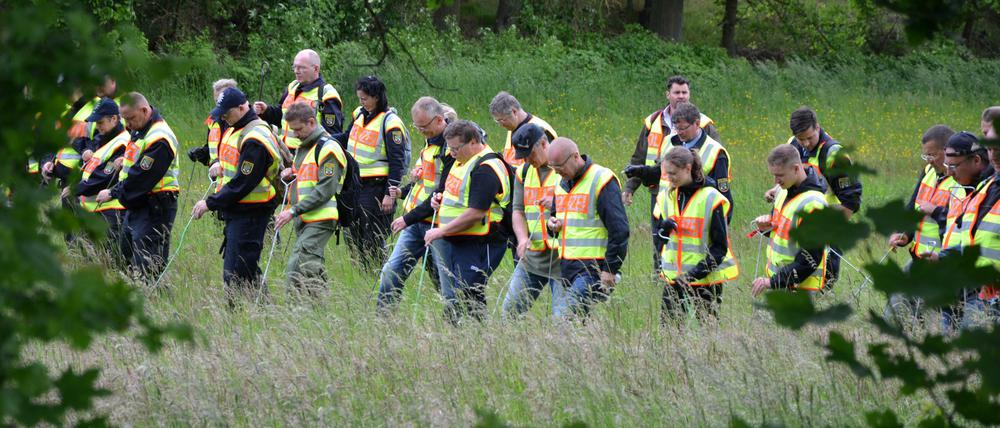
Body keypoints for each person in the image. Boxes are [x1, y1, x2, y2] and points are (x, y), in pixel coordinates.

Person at [191, 87, 284, 303]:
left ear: (243, 107)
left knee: (236, 272)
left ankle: (241, 314)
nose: (223, 117)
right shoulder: (236, 127)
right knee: (244, 269)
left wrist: (210, 203)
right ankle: (264, 312)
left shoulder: (255, 137)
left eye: (227, 113)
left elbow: (243, 183)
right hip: (237, 211)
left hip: (252, 212)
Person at [624, 76, 724, 273]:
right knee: (660, 239)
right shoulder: (653, 123)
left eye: (684, 92)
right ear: (668, 94)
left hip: (697, 199)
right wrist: (631, 185)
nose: (681, 96)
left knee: (694, 241)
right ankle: (662, 276)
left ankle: (694, 278)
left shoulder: (705, 126)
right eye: (677, 92)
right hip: (663, 195)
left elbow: (718, 164)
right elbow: (642, 157)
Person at [424, 120, 511, 322]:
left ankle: (478, 334)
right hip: (462, 239)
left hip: (484, 240)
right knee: (462, 293)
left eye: (456, 148)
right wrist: (440, 201)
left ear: (472, 142)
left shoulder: (486, 168)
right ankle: (464, 334)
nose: (452, 153)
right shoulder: (462, 160)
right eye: (450, 148)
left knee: (469, 289)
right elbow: (457, 195)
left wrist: (440, 232)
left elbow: (475, 213)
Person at [377, 96, 456, 313]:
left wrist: (405, 219)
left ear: (439, 120)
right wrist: (403, 190)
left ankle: (456, 327)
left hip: (439, 227)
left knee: (448, 286)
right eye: (417, 126)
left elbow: (440, 194)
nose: (420, 131)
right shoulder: (430, 141)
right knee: (390, 273)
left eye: (424, 126)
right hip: (416, 222)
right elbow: (425, 181)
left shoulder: (452, 149)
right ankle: (382, 320)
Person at [769, 107, 862, 289]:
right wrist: (776, 189)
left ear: (817, 127)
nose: (805, 143)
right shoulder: (792, 144)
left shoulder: (836, 154)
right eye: (800, 138)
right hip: (799, 225)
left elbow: (851, 203)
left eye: (809, 138)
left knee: (824, 280)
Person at [95, 92, 180, 281]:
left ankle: (152, 301)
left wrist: (113, 192)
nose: (127, 124)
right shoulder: (139, 128)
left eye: (130, 118)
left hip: (155, 204)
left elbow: (141, 177)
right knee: (125, 252)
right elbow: (134, 164)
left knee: (148, 262)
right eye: (124, 119)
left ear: (144, 110)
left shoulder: (160, 138)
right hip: (137, 202)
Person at [546, 137, 629, 317]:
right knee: (577, 326)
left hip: (593, 269)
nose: (558, 174)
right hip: (566, 266)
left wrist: (610, 269)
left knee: (564, 319)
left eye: (560, 168)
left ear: (575, 157)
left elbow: (619, 228)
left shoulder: (602, 179)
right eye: (554, 169)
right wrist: (551, 224)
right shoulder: (560, 183)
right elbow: (554, 216)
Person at [336, 75, 409, 271]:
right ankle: (361, 273)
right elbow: (346, 137)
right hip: (354, 185)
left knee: (373, 237)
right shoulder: (359, 114)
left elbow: (397, 161)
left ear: (376, 97)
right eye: (359, 98)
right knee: (353, 233)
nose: (361, 102)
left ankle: (377, 273)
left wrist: (389, 193)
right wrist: (324, 138)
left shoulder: (390, 122)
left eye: (364, 98)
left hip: (376, 187)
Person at [272, 102, 346, 295]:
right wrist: (292, 173)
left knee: (296, 267)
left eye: (298, 129)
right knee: (312, 267)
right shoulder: (306, 147)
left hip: (320, 218)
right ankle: (321, 310)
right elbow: (307, 177)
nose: (295, 134)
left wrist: (293, 211)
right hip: (305, 218)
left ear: (312, 122)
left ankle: (295, 310)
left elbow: (325, 189)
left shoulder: (329, 148)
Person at [656, 148, 738, 321]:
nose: (669, 178)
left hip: (706, 280)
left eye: (673, 173)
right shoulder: (666, 195)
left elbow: (719, 248)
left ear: (688, 168)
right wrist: (664, 228)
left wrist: (692, 275)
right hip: (674, 278)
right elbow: (660, 239)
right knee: (668, 332)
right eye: (666, 174)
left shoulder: (711, 197)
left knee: (707, 334)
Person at [885, 125, 956, 321]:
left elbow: (962, 221)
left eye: (932, 155)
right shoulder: (928, 171)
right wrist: (903, 234)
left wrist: (935, 211)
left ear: (947, 151)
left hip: (942, 263)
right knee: (893, 309)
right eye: (926, 156)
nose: (929, 161)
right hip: (918, 259)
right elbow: (912, 206)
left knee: (931, 319)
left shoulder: (961, 180)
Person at [929, 132, 998, 329]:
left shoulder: (991, 190)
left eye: (953, 166)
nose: (949, 173)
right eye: (947, 166)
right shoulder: (961, 187)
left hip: (981, 290)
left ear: (976, 160)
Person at [501, 124, 568, 318]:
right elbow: (518, 210)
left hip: (563, 259)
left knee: (563, 323)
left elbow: (584, 205)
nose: (528, 160)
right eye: (524, 156)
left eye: (530, 154)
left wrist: (556, 204)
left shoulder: (566, 166)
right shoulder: (523, 172)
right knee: (509, 315)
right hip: (533, 258)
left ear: (544, 143)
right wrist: (522, 239)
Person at [751, 144, 828, 297]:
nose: (776, 181)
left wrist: (771, 282)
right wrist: (764, 228)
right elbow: (780, 232)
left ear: (796, 169)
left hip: (802, 289)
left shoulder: (814, 204)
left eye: (780, 175)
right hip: (780, 284)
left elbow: (809, 259)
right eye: (773, 175)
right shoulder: (782, 190)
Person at [75, 97, 131, 268]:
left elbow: (104, 177)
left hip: (112, 211)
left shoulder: (122, 142)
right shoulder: (103, 138)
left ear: (114, 119)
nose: (98, 127)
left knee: (113, 262)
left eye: (100, 122)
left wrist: (75, 189)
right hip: (96, 209)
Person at [255, 49, 343, 151]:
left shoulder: (326, 94)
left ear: (315, 69)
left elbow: (332, 135)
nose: (296, 71)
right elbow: (282, 118)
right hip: (284, 152)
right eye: (295, 67)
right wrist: (266, 111)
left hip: (306, 156)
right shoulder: (292, 86)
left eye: (301, 67)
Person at [489, 91, 557, 170]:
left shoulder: (539, 129)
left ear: (514, 112)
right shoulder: (512, 129)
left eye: (501, 120)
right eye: (498, 122)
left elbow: (548, 165)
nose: (500, 125)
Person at [187, 79, 238, 177]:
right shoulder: (212, 120)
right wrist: (201, 154)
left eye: (221, 100)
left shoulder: (241, 123)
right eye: (216, 101)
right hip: (219, 182)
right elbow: (212, 150)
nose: (218, 104)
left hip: (236, 182)